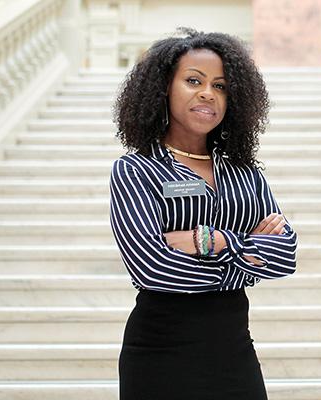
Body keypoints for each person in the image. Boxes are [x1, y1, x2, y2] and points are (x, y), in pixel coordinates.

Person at [109, 27, 298, 400]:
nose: (208, 93)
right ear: (164, 87)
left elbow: (286, 255)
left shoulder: (245, 173)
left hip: (234, 350)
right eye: (193, 80)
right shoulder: (136, 170)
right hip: (161, 352)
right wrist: (247, 254)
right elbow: (154, 269)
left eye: (221, 86)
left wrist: (210, 240)